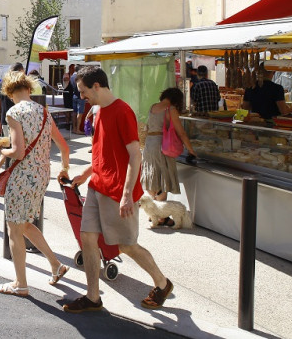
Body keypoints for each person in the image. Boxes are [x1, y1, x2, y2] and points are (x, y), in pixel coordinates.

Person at [63, 65, 173, 313]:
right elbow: (103, 151)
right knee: (88, 239)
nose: (81, 96)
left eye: (83, 91)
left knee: (126, 245)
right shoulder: (98, 110)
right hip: (97, 186)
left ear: (97, 86)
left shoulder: (123, 111)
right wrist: (86, 173)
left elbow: (136, 155)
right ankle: (93, 297)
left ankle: (162, 283)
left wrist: (126, 194)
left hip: (118, 191)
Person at [0, 71, 71, 296]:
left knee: (14, 229)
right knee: (25, 223)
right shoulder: (44, 112)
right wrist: (64, 169)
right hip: (41, 175)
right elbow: (64, 147)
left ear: (9, 93)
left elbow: (17, 153)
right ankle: (56, 265)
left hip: (22, 176)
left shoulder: (13, 112)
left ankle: (21, 284)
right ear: (29, 89)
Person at [141, 88, 197, 226]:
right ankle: (161, 216)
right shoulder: (170, 109)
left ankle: (153, 212)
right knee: (162, 178)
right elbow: (181, 132)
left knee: (152, 176)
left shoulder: (153, 107)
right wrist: (191, 150)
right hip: (162, 145)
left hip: (149, 144)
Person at [0, 62, 25, 183]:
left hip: (5, 119)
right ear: (20, 71)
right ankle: (6, 177)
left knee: (9, 146)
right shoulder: (18, 84)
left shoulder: (1, 83)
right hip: (16, 120)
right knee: (12, 149)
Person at [71, 65, 85, 133]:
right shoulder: (80, 77)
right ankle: (78, 129)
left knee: (74, 112)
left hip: (74, 96)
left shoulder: (71, 76)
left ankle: (74, 128)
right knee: (80, 113)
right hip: (80, 96)